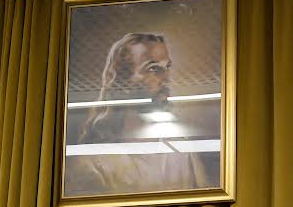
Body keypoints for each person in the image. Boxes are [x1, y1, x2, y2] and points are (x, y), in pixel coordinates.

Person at [64, 32, 219, 196]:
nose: (166, 78)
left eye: (167, 67)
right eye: (153, 68)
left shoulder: (181, 153)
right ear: (124, 83)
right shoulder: (95, 163)